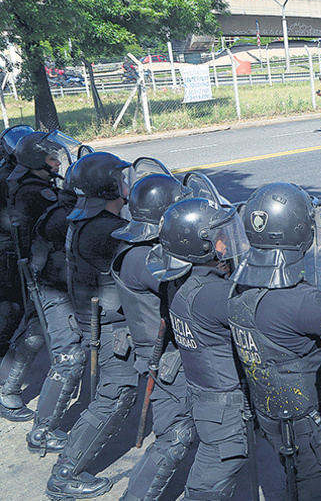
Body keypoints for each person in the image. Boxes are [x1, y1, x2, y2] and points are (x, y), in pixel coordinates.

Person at [227, 183, 321, 499]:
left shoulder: (238, 291)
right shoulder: (301, 301)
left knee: (295, 482)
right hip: (311, 425)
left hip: (274, 418)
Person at [148, 197, 253, 501]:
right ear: (202, 246)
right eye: (220, 235)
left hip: (206, 397)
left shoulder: (181, 282)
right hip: (225, 406)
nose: (226, 240)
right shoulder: (215, 294)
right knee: (210, 485)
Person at [46, 151, 134, 499]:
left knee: (111, 394)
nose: (127, 184)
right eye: (121, 178)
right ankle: (66, 474)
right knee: (114, 396)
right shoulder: (107, 230)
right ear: (109, 186)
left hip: (97, 320)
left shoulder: (85, 220)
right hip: (112, 328)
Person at [110, 172, 195, 500]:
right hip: (165, 358)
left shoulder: (136, 244)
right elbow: (189, 293)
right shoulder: (148, 259)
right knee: (174, 435)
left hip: (157, 353)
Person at [0, 131, 68, 422]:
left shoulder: (33, 183)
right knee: (34, 327)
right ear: (36, 160)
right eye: (51, 157)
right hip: (40, 270)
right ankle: (9, 389)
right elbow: (55, 224)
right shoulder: (33, 192)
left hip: (39, 266)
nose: (56, 162)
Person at [0, 125, 34, 362]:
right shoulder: (9, 179)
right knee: (12, 309)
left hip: (12, 250)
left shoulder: (17, 175)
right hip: (8, 254)